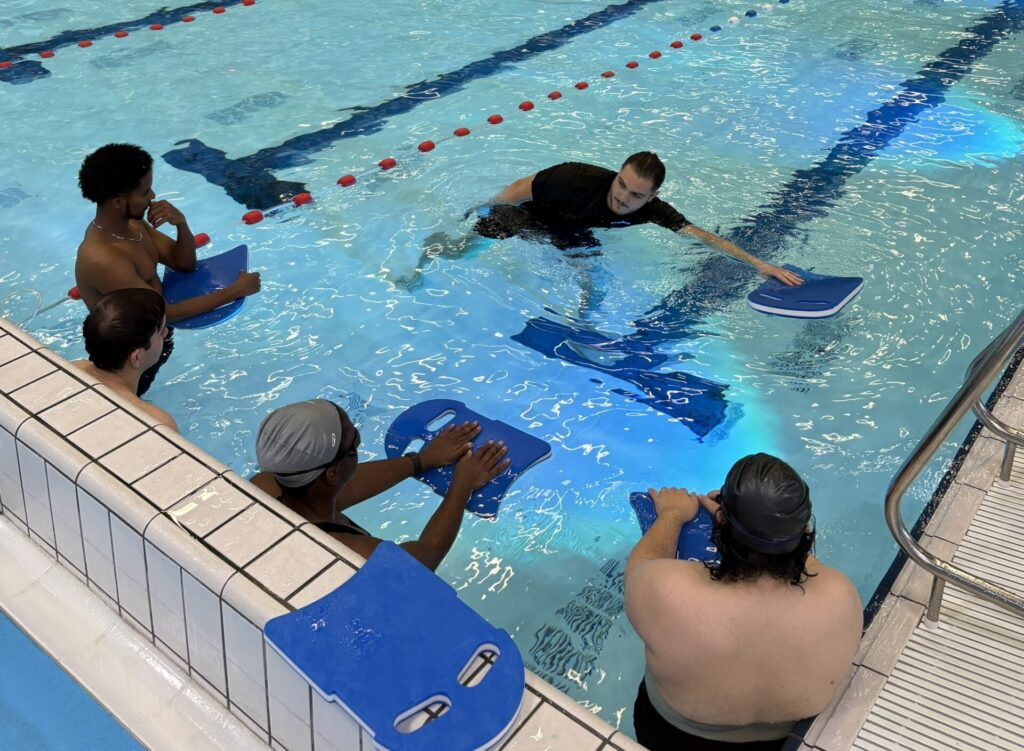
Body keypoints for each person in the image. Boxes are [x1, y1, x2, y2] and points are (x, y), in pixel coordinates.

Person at [625, 453, 862, 750]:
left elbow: (641, 564)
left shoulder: (667, 590)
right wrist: (765, 531)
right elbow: (807, 562)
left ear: (721, 522)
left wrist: (672, 515)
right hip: (785, 741)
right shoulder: (841, 597)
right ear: (804, 530)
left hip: (672, 736)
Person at [405, 152, 802, 288]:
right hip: (526, 217)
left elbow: (700, 236)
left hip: (570, 230)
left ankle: (582, 324)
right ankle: (422, 263)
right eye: (621, 185)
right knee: (462, 253)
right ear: (616, 174)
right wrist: (477, 209)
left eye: (636, 195)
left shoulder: (652, 210)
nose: (623, 198)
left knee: (595, 278)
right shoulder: (573, 178)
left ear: (652, 196)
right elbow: (518, 189)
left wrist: (759, 265)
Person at [75, 143, 261, 395]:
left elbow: (183, 263)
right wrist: (235, 290)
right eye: (144, 191)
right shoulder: (104, 259)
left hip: (151, 345)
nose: (152, 196)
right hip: (128, 365)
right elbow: (164, 314)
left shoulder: (133, 227)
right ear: (119, 201)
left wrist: (181, 224)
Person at [251, 400, 510, 571]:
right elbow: (425, 557)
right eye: (354, 441)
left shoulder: (265, 485)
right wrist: (461, 488)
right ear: (332, 474)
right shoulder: (350, 554)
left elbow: (347, 489)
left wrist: (421, 460)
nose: (359, 441)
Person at [72, 288, 178, 431]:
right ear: (137, 357)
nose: (166, 334)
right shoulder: (156, 422)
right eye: (161, 332)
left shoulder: (74, 367)